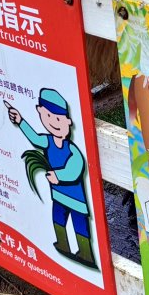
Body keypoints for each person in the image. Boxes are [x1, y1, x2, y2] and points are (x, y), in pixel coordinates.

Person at [6, 88, 97, 269]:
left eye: (57, 119)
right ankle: (63, 245)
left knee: (80, 225)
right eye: (48, 117)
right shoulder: (48, 141)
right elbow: (35, 138)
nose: (53, 123)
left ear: (67, 122)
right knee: (58, 220)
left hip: (75, 199)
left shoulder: (71, 149)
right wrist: (21, 121)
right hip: (58, 195)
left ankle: (86, 254)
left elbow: (76, 168)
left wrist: (59, 176)